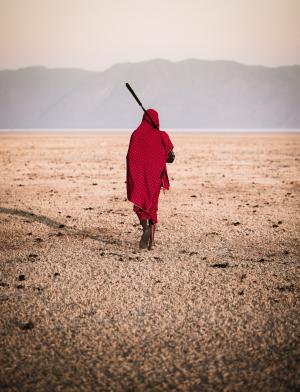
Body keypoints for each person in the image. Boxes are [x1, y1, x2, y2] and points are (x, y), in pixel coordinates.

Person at [126, 108, 174, 250]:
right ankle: (152, 243)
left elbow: (130, 157)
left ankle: (145, 228)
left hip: (139, 177)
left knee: (140, 205)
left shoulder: (136, 135)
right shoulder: (162, 136)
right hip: (155, 178)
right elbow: (171, 158)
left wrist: (134, 174)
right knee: (153, 206)